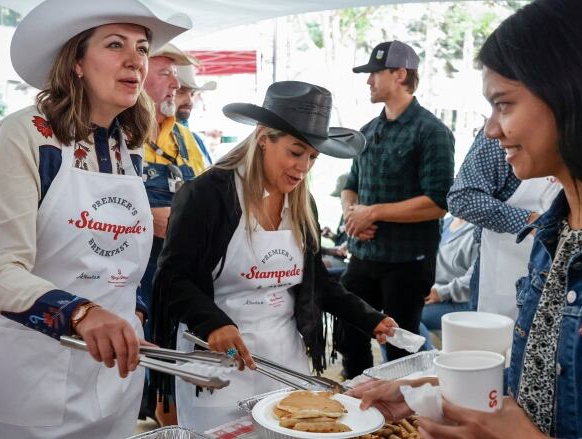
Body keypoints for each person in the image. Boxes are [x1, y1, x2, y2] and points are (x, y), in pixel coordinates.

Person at [351, 0, 582, 437]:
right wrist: (426, 390)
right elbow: (545, 387)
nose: (491, 130)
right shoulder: (557, 231)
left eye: (503, 104)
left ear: (575, 95)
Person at [0, 1, 190, 438]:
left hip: (113, 378)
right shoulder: (27, 134)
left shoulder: (129, 145)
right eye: (115, 45)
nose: (135, 60)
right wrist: (82, 313)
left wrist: (135, 318)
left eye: (142, 48)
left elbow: (129, 263)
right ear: (76, 62)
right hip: (32, 381)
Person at [151, 81, 398, 433]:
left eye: (312, 157)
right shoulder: (207, 195)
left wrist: (370, 318)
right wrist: (212, 322)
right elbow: (173, 277)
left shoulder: (301, 204)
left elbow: (318, 284)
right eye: (295, 152)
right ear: (264, 136)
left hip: (285, 359)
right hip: (220, 362)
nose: (303, 168)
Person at [337, 40, 455, 378]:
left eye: (374, 73)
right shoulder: (368, 132)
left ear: (400, 74)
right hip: (364, 256)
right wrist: (353, 212)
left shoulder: (432, 132)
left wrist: (373, 213)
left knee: (400, 345)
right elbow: (350, 186)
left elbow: (437, 203)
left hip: (407, 263)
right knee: (349, 330)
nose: (368, 81)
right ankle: (356, 396)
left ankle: (402, 414)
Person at [140, 43, 210, 425]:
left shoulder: (189, 141)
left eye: (177, 78)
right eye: (166, 74)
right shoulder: (118, 136)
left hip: (181, 273)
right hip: (135, 275)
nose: (176, 86)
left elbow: (213, 201)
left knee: (177, 361)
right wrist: (143, 216)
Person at [447, 130, 561, 319]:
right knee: (494, 342)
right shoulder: (500, 133)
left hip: (563, 275)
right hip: (505, 270)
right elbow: (462, 198)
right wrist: (530, 221)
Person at [418, 215, 478, 350]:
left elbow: (476, 280)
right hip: (438, 295)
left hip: (465, 303)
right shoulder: (446, 222)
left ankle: (429, 364)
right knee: (390, 310)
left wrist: (440, 292)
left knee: (407, 318)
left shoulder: (480, 230)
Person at [175, 64, 215, 165]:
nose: (189, 101)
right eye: (181, 92)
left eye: (192, 94)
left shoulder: (195, 140)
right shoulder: (143, 138)